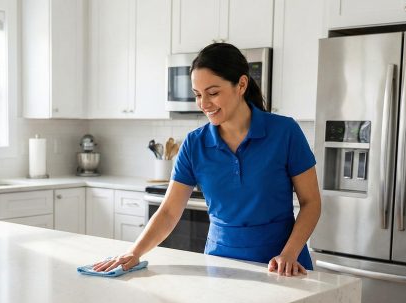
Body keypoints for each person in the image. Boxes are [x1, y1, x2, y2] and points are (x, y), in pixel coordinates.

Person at [93, 43, 320, 277]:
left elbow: (311, 202)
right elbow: (170, 211)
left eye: (213, 93)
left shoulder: (285, 132)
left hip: (283, 265)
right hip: (220, 264)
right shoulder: (194, 144)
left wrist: (290, 254)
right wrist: (135, 252)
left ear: (241, 84)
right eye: (198, 95)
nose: (203, 104)